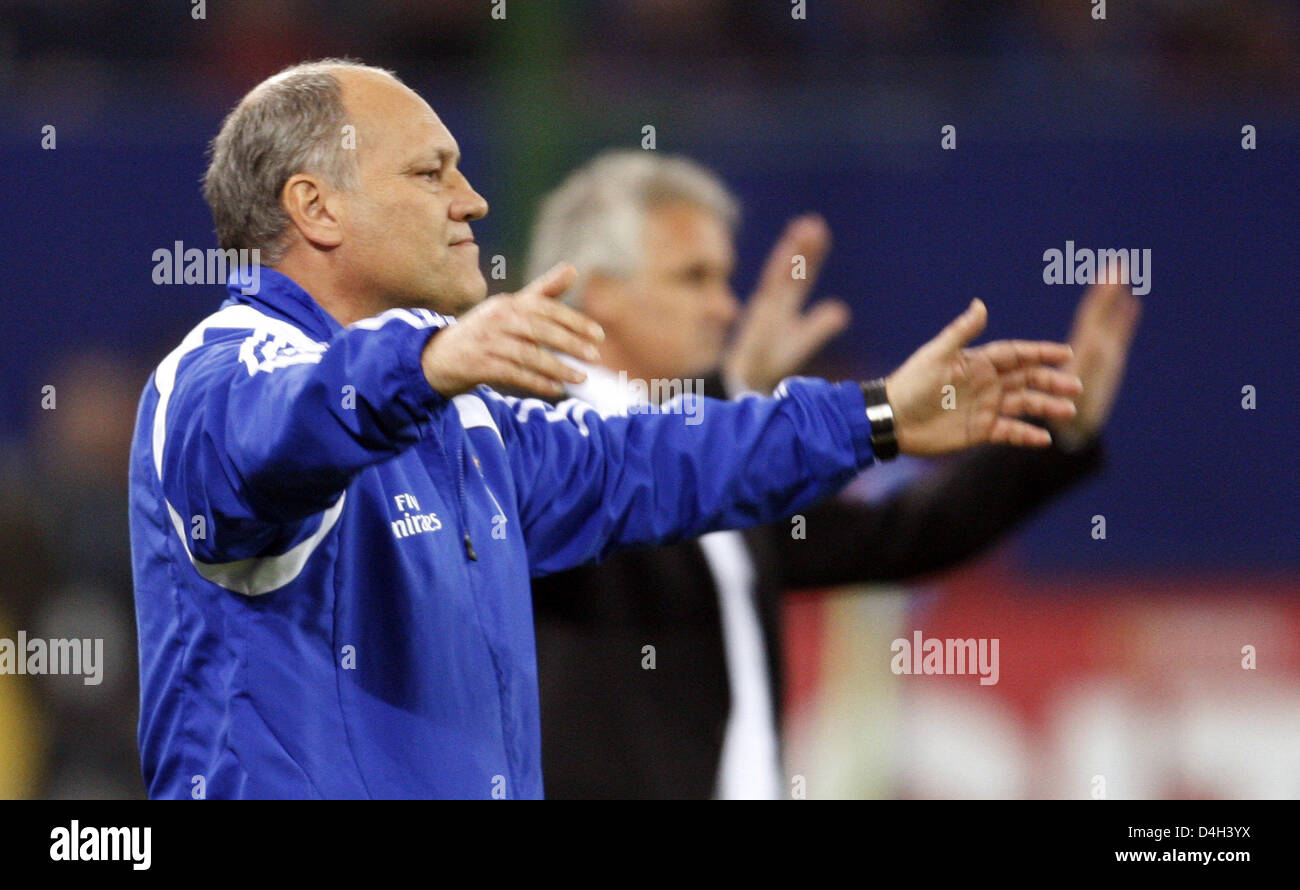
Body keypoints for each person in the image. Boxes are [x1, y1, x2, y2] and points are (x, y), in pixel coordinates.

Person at [128, 60, 1082, 799]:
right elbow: (279, 435)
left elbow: (656, 460)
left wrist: (875, 416)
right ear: (315, 207)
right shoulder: (214, 380)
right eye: (430, 172)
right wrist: (425, 362)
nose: (471, 200)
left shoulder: (465, 425)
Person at [526, 151, 1141, 799]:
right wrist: (750, 405)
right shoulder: (533, 445)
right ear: (601, 292)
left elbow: (900, 535)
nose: (725, 308)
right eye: (694, 278)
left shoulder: (711, 458)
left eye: (726, 279)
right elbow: (635, 488)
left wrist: (1060, 431)